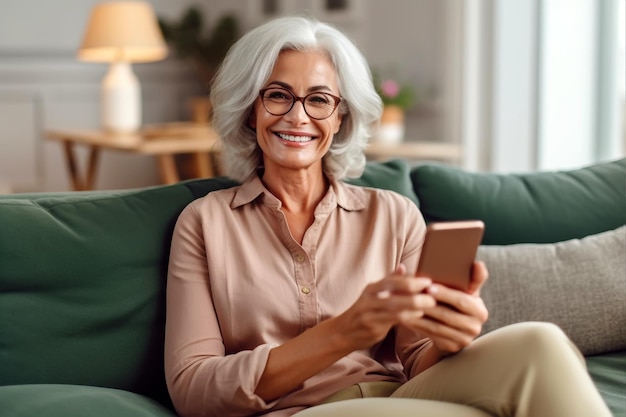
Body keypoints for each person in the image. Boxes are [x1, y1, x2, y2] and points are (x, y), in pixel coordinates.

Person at [164, 15, 612, 417]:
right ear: (250, 109)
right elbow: (193, 389)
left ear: (340, 117)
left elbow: (420, 359)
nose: (298, 116)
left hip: (401, 398)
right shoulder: (204, 224)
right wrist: (344, 333)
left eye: (319, 100)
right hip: (302, 411)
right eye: (278, 95)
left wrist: (451, 336)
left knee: (541, 342)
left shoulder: (394, 214)